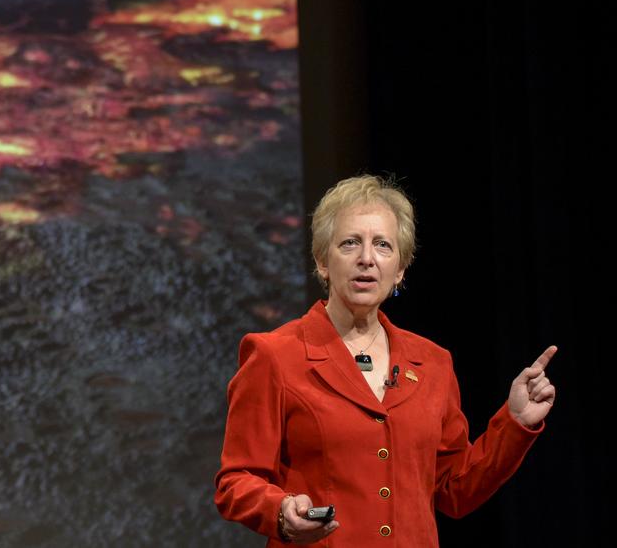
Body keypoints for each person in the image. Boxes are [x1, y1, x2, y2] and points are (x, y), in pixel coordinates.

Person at [214, 175, 556, 546]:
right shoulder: (274, 355)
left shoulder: (433, 363)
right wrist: (281, 511)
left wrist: (515, 423)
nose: (366, 258)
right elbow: (236, 481)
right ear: (322, 261)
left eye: (382, 245)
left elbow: (453, 490)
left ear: (400, 269)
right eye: (349, 243)